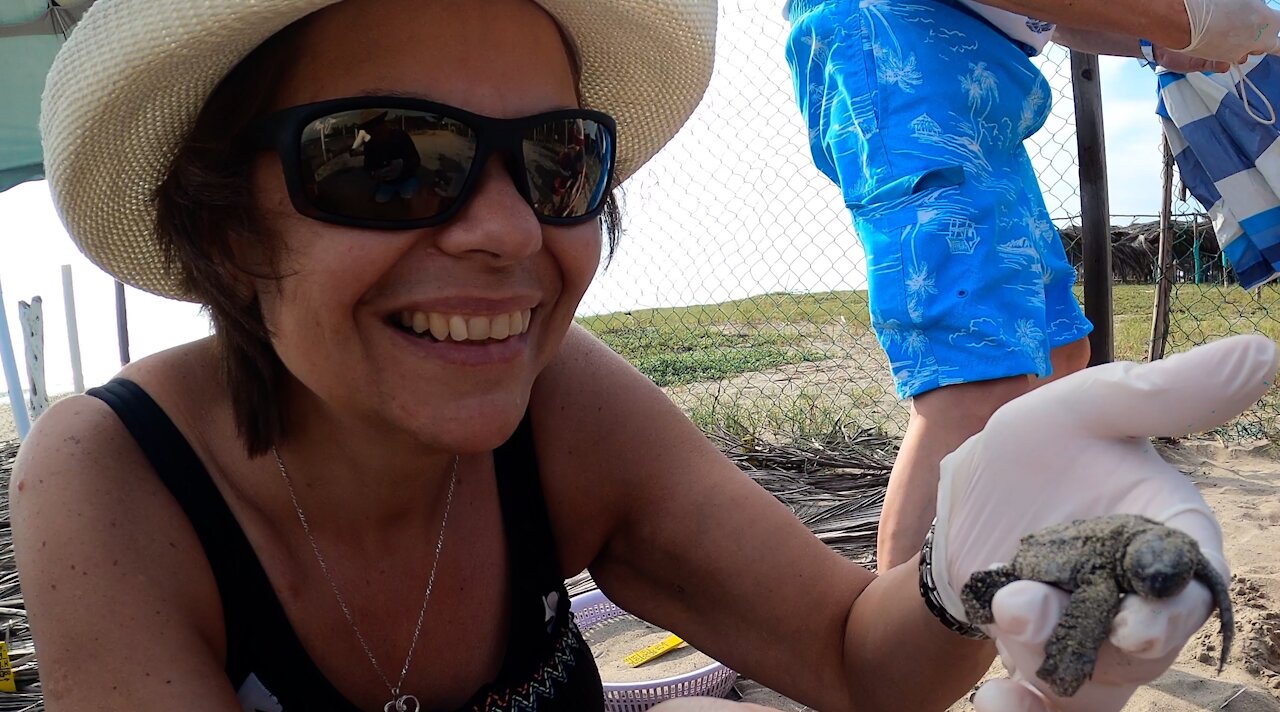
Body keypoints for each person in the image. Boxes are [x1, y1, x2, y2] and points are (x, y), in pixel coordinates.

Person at [11, 0, 1274, 710]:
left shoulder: (563, 410)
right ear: (226, 218)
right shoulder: (117, 479)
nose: (510, 227)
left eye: (558, 159)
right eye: (388, 157)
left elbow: (845, 654)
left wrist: (982, 566)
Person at [782, 0, 1280, 572]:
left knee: (1060, 354)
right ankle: (892, 634)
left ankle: (1022, 559)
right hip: (901, 59)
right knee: (973, 389)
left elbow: (1056, 17)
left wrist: (1155, 43)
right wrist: (1189, 18)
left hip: (977, 85)